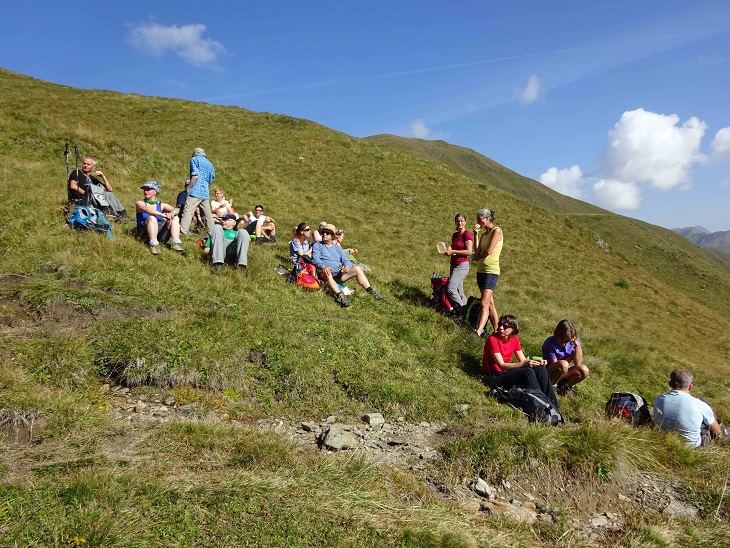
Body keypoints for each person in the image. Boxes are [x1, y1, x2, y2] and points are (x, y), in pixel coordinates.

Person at [482, 315, 559, 408]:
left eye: (505, 326)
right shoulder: (492, 339)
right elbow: (502, 365)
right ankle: (541, 404)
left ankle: (554, 404)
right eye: (500, 324)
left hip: (505, 373)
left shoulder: (514, 339)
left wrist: (536, 362)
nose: (500, 327)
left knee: (540, 369)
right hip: (493, 377)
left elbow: (523, 360)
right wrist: (523, 364)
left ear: (512, 330)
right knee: (527, 372)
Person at [311, 223, 386, 307]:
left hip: (337, 273)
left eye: (327, 233)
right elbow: (315, 259)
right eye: (323, 232)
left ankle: (371, 292)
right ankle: (340, 296)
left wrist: (347, 266)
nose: (324, 234)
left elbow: (346, 260)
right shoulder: (318, 245)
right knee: (328, 272)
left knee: (357, 269)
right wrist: (323, 266)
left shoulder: (337, 248)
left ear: (332, 236)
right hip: (324, 273)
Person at [654, 369, 725, 448]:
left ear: (670, 384)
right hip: (692, 447)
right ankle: (723, 432)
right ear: (690, 386)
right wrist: (719, 434)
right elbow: (717, 432)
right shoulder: (700, 404)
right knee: (705, 409)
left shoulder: (659, 399)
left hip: (662, 439)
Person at [472, 208, 503, 337]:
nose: (478, 222)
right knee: (489, 303)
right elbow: (478, 251)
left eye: (480, 219)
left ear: (487, 218)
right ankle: (497, 330)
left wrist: (477, 258)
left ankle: (478, 331)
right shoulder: (484, 234)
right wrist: (475, 234)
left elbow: (488, 251)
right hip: (481, 270)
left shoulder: (497, 231)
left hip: (491, 270)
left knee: (484, 302)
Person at [134, 181, 185, 256]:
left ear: (155, 191)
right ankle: (153, 244)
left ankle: (176, 242)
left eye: (149, 189)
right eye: (144, 189)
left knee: (175, 218)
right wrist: (161, 214)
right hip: (144, 233)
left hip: (159, 232)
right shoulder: (140, 203)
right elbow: (146, 209)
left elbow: (177, 209)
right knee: (152, 217)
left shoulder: (161, 205)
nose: (145, 191)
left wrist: (172, 213)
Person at [542, 320, 590, 391]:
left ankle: (565, 388)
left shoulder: (574, 341)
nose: (570, 341)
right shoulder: (549, 343)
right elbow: (556, 364)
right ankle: (551, 388)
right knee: (563, 364)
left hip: (565, 370)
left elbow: (578, 363)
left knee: (584, 370)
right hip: (551, 371)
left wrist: (577, 346)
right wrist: (571, 356)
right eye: (567, 339)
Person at [180, 147, 216, 236]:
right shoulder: (209, 163)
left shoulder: (194, 159)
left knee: (188, 211)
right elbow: (211, 178)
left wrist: (188, 187)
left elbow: (195, 176)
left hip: (195, 190)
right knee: (208, 215)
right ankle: (213, 233)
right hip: (205, 191)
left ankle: (182, 231)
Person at [443, 213, 473, 312]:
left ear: (465, 222)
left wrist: (453, 252)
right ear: (455, 223)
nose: (459, 223)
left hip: (462, 265)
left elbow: (468, 252)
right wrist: (449, 249)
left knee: (450, 288)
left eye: (462, 221)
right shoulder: (455, 235)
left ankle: (461, 310)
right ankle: (467, 311)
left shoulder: (467, 234)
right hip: (453, 264)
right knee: (459, 291)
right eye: (458, 221)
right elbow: (453, 246)